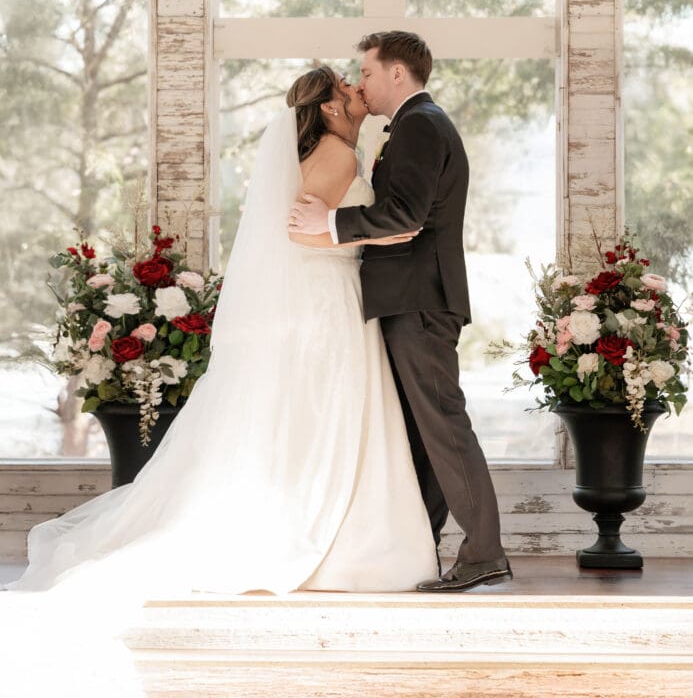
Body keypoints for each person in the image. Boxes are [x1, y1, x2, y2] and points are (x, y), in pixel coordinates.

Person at [4, 65, 437, 605]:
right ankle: (335, 539)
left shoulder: (323, 151)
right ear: (328, 106)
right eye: (346, 88)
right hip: (327, 299)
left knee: (317, 414)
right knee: (332, 411)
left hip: (325, 296)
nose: (355, 90)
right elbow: (302, 233)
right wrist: (382, 236)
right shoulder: (338, 153)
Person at [289, 32, 512, 592]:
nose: (359, 81)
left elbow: (406, 218)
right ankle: (423, 549)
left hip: (419, 300)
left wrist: (330, 226)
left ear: (396, 74)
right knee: (421, 433)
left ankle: (484, 552)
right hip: (411, 299)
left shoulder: (419, 124)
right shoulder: (418, 125)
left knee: (442, 427)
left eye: (366, 71)